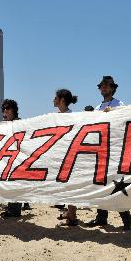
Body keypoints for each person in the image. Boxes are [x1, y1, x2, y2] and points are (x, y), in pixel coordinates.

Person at [85, 76, 131, 231]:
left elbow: (124, 120)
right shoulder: (98, 106)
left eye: (105, 86)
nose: (103, 88)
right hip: (100, 150)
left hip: (113, 150)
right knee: (100, 186)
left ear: (112, 87)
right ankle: (101, 217)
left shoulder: (119, 104)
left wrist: (111, 113)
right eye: (101, 86)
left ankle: (127, 221)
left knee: (116, 186)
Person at [52, 89, 80, 227]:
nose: (53, 100)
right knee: (64, 186)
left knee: (70, 186)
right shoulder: (55, 116)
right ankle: (70, 214)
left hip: (70, 156)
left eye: (55, 97)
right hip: (59, 156)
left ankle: (72, 216)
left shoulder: (72, 117)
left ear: (62, 100)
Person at [0, 99, 29, 218]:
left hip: (19, 158)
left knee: (15, 184)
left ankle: (14, 211)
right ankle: (12, 208)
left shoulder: (20, 123)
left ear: (14, 110)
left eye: (8, 108)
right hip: (8, 158)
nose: (5, 111)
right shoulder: (3, 123)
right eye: (4, 109)